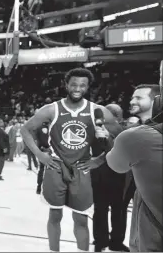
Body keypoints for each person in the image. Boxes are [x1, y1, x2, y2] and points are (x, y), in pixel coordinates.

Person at [20, 68, 123, 252]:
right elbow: (25, 130)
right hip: (55, 166)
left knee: (81, 219)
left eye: (82, 85)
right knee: (55, 215)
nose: (77, 88)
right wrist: (39, 155)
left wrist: (99, 160)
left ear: (88, 87)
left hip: (82, 168)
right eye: (74, 84)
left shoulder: (98, 111)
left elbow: (122, 138)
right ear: (66, 85)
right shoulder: (51, 109)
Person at [107, 61, 163, 252]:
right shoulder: (133, 132)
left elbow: (114, 163)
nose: (132, 101)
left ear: (157, 99)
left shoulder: (136, 137)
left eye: (139, 98)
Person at [91, 103, 129, 252]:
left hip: (98, 174)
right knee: (118, 209)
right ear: (118, 117)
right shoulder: (123, 131)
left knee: (100, 208)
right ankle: (116, 241)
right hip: (117, 175)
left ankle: (100, 240)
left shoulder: (93, 128)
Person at [35, 121, 50, 195]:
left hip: (41, 150)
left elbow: (37, 140)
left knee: (41, 169)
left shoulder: (38, 128)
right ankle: (47, 188)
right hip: (49, 151)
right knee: (49, 170)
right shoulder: (51, 128)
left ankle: (39, 187)